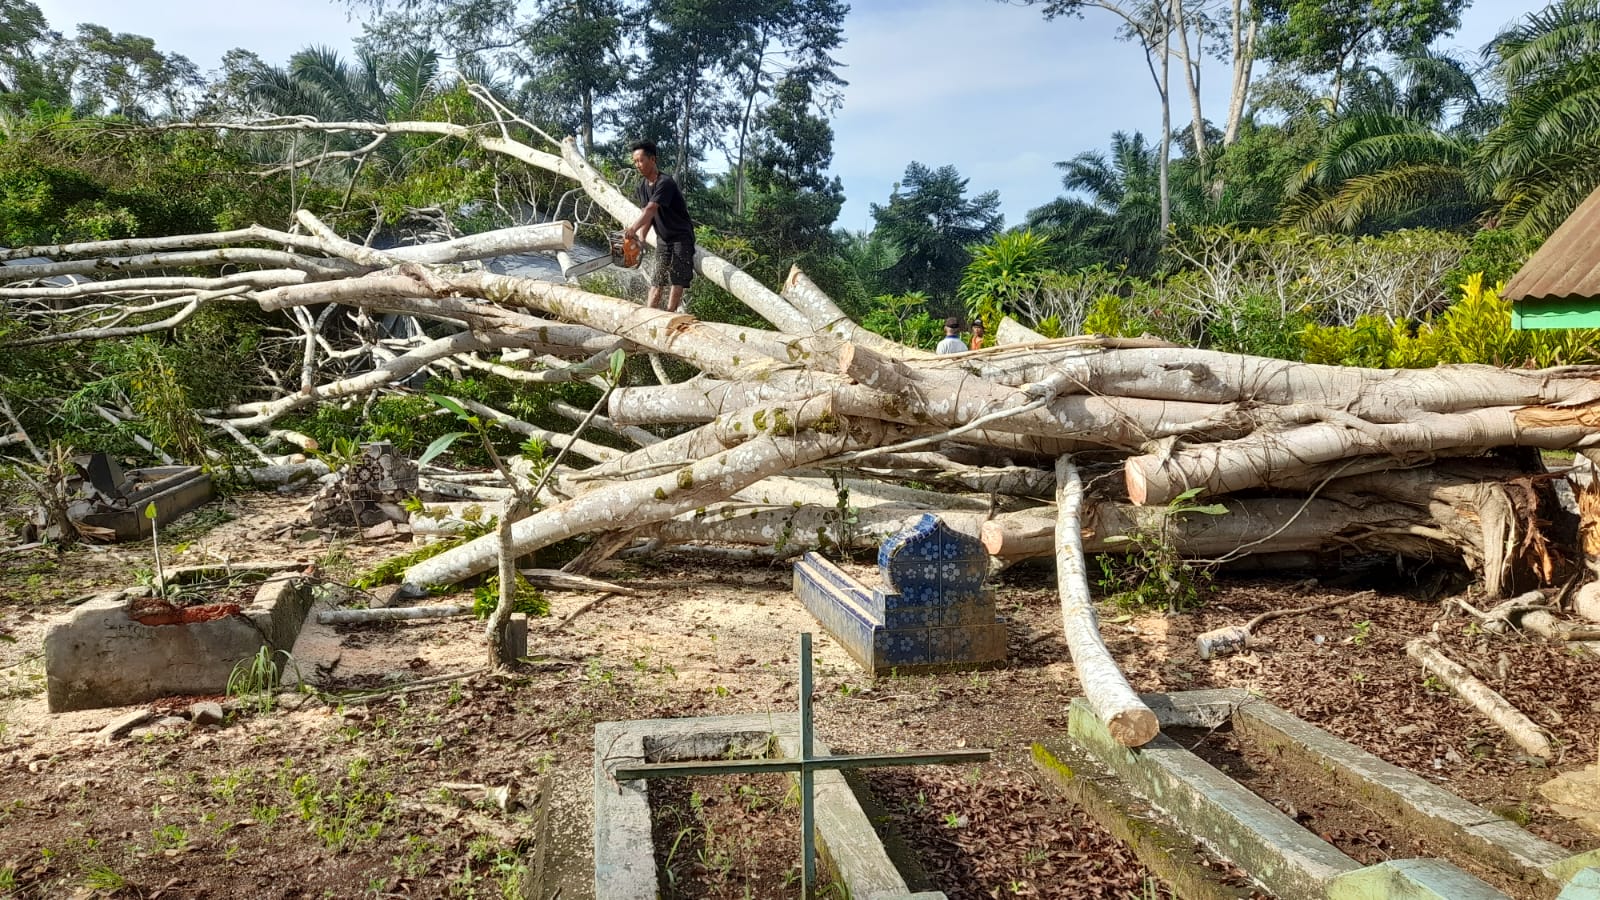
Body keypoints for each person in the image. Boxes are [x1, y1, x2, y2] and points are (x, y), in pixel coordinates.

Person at [623, 140, 695, 313]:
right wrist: (641, 238)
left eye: (641, 160)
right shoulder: (642, 187)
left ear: (652, 160)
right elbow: (647, 217)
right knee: (658, 279)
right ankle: (648, 315)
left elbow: (651, 208)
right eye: (635, 161)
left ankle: (669, 315)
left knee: (677, 278)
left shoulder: (665, 182)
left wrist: (632, 228)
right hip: (663, 238)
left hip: (681, 237)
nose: (638, 165)